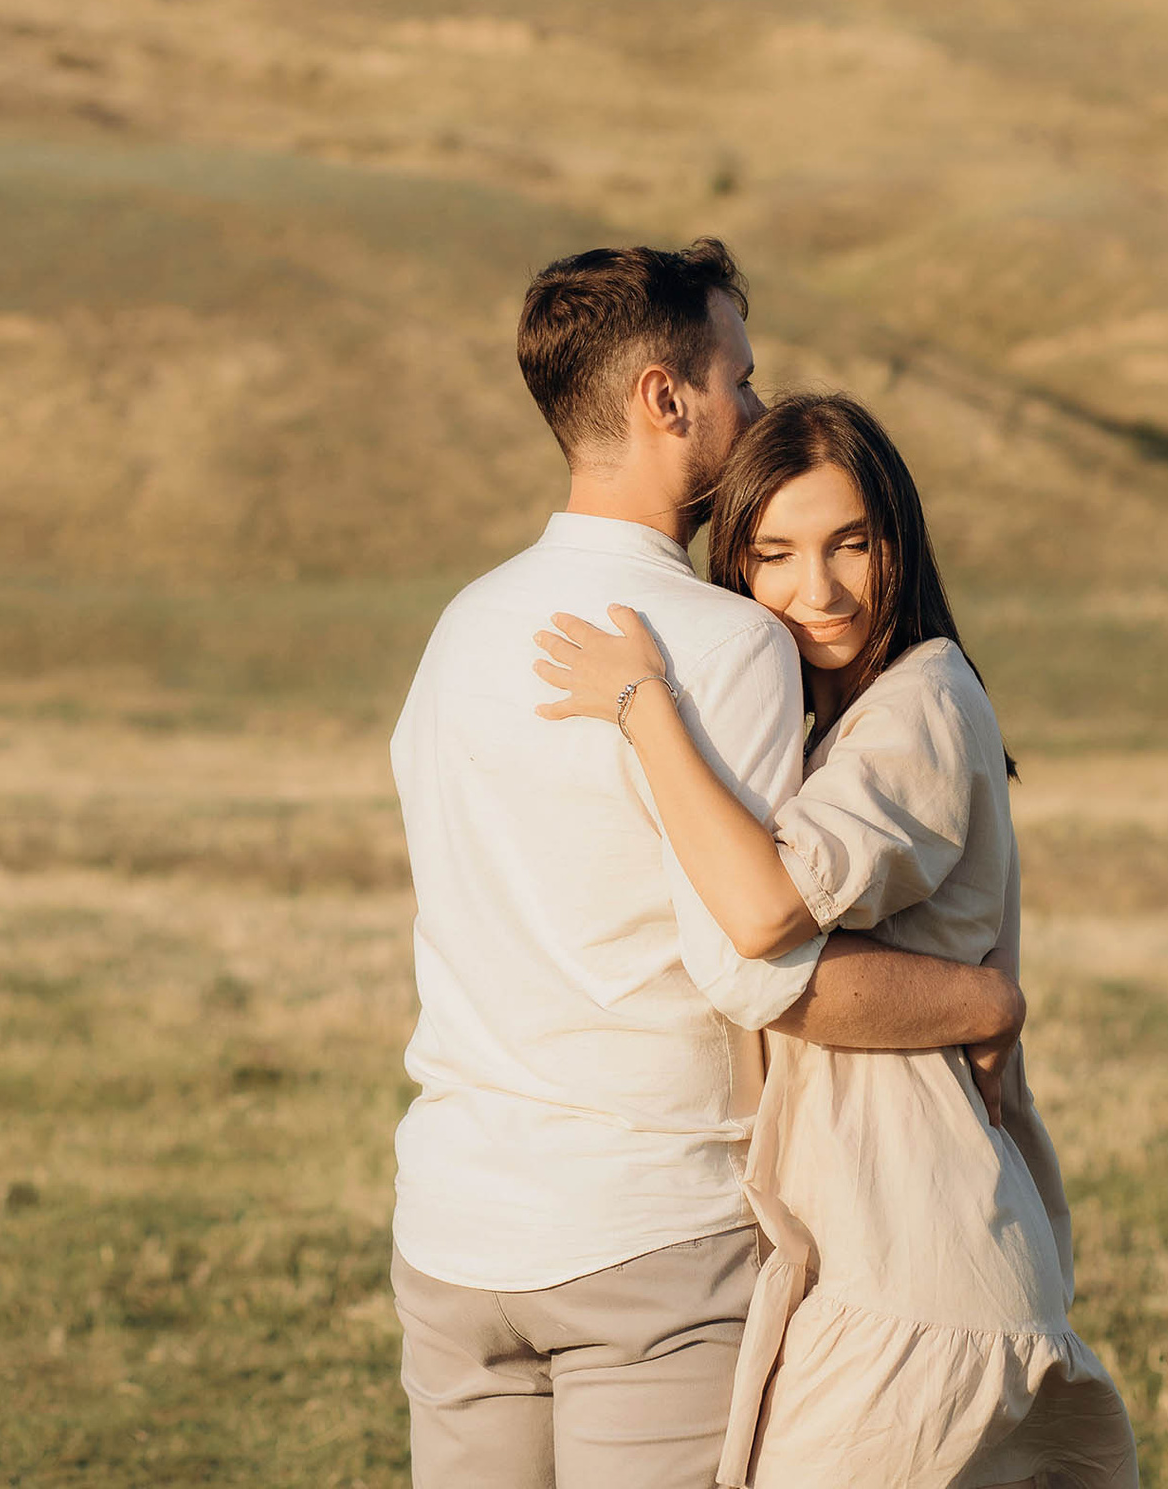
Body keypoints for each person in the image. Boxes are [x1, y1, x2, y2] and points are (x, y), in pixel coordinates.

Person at [388, 241, 1029, 1489]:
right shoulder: (727, 643)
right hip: (646, 1231)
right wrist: (981, 1000)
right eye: (736, 375)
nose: (751, 407)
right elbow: (752, 963)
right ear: (662, 400)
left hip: (453, 1229)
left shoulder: (460, 624)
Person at [531, 393, 1138, 1488]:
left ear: (898, 541)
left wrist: (643, 704)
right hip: (884, 1253)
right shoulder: (846, 725)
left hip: (916, 1262)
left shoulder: (918, 706)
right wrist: (984, 1004)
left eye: (851, 544)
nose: (817, 591)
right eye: (774, 554)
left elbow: (763, 915)